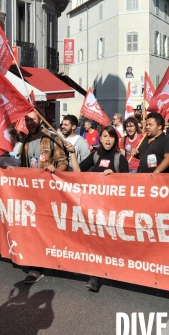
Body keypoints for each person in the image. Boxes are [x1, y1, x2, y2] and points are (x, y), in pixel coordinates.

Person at [69, 125, 129, 292]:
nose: (108, 139)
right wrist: (73, 154)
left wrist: (115, 177)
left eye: (111, 136)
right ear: (100, 139)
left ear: (115, 140)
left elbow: (129, 185)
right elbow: (77, 171)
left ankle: (119, 271)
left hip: (114, 208)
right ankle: (95, 276)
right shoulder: (95, 155)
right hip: (96, 206)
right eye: (104, 136)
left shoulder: (120, 159)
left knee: (112, 242)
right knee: (97, 241)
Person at [19, 110, 68, 283]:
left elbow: (63, 163)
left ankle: (59, 259)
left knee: (52, 229)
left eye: (32, 119)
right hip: (30, 194)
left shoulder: (51, 138)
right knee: (34, 229)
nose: (29, 123)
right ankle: (36, 267)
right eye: (26, 120)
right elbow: (22, 166)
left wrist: (55, 171)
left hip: (49, 193)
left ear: (40, 119)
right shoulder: (24, 140)